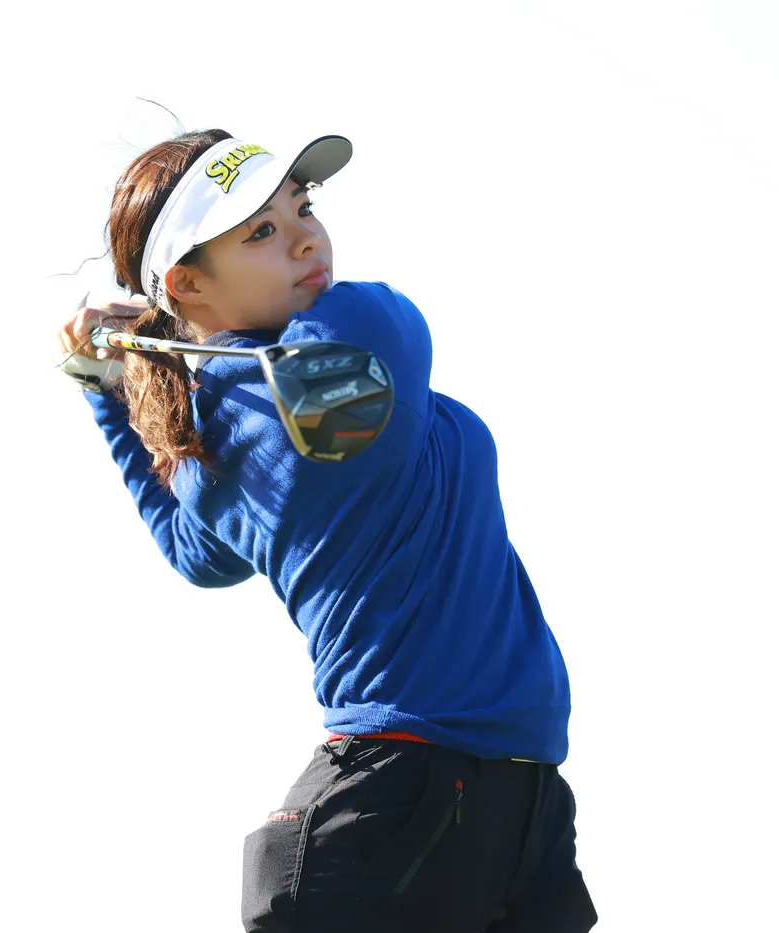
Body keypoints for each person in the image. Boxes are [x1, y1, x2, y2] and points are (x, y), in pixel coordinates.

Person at [55, 129, 598, 932]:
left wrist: (106, 387)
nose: (307, 238)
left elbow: (196, 554)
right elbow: (355, 337)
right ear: (188, 285)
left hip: (502, 807)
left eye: (303, 208)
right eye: (261, 231)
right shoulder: (360, 329)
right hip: (402, 809)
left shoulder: (209, 446)